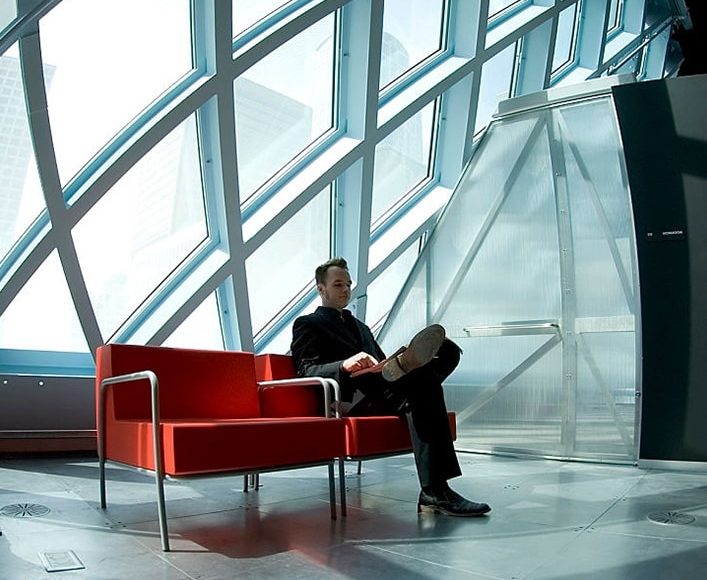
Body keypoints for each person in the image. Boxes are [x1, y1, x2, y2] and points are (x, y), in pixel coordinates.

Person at [291, 257, 491, 517]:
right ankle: (435, 492)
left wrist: (386, 364)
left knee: (447, 352)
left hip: (380, 389)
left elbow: (380, 362)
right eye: (338, 284)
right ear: (321, 289)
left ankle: (433, 492)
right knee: (424, 384)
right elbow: (306, 370)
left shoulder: (361, 328)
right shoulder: (308, 323)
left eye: (348, 284)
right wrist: (344, 365)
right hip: (350, 399)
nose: (346, 289)